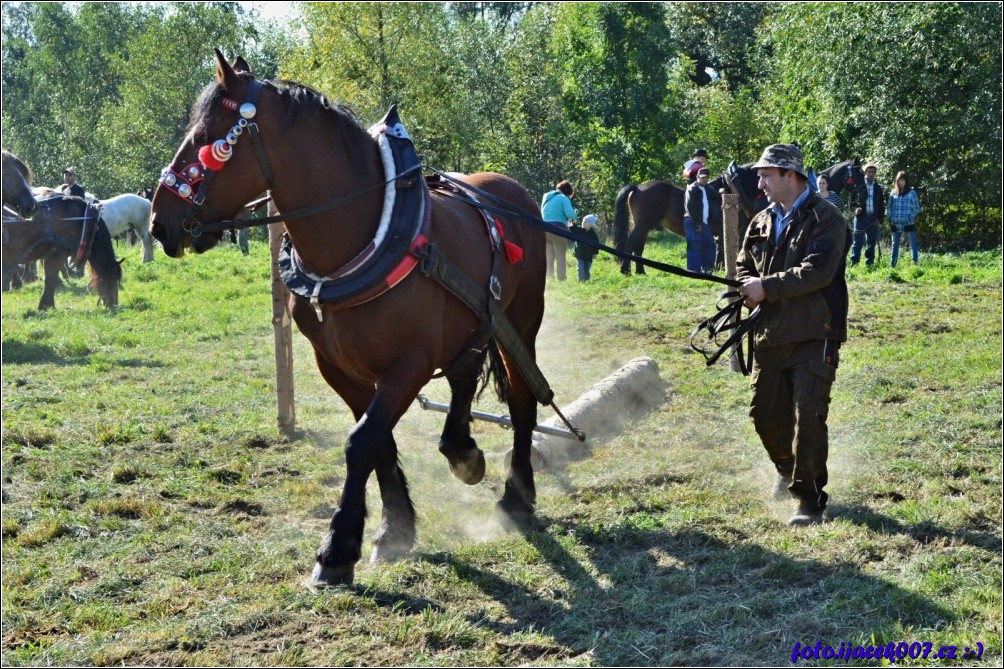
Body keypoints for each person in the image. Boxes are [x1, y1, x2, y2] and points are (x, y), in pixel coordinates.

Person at [736, 143, 849, 527]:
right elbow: (742, 266)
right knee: (764, 416)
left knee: (808, 416)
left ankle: (809, 501)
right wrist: (743, 289)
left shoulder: (826, 217)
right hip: (769, 333)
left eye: (766, 174)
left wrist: (765, 286)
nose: (760, 181)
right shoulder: (761, 221)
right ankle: (787, 469)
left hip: (815, 333)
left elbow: (818, 271)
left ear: (790, 175)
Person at [683, 167, 719, 273]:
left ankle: (708, 271)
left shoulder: (709, 189)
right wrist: (697, 223)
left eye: (706, 178)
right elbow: (690, 207)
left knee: (709, 246)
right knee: (694, 246)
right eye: (702, 177)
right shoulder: (691, 189)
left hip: (705, 223)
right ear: (697, 176)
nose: (704, 180)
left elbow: (715, 200)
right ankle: (693, 272)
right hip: (692, 221)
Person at [540, 180, 577, 281]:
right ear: (568, 192)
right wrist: (575, 214)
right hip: (558, 229)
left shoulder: (546, 197)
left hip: (544, 229)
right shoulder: (563, 198)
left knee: (549, 255)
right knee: (560, 256)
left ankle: (549, 277)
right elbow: (570, 215)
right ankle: (562, 279)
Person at [849, 163, 885, 266]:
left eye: (873, 172)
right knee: (857, 242)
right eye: (869, 171)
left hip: (873, 218)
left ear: (875, 173)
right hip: (860, 218)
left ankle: (870, 263)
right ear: (865, 172)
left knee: (871, 242)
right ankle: (854, 263)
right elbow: (851, 204)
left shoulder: (878, 188)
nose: (871, 174)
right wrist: (855, 210)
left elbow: (881, 205)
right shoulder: (858, 186)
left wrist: (879, 219)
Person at [887, 171, 920, 267]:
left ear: (906, 181)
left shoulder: (911, 192)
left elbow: (917, 207)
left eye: (903, 180)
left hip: (908, 222)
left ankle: (915, 266)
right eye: (899, 180)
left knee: (913, 244)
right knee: (895, 245)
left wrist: (910, 215)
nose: (901, 182)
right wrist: (890, 216)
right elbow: (889, 207)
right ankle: (892, 266)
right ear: (896, 181)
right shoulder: (893, 193)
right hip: (895, 222)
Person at [570, 214, 600, 282]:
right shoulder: (579, 230)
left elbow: (596, 245)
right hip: (579, 253)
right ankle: (581, 281)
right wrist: (569, 220)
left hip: (588, 255)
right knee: (580, 268)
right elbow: (572, 227)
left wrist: (595, 253)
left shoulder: (593, 235)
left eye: (585, 222)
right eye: (583, 221)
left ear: (591, 224)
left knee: (587, 269)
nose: (583, 223)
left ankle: (586, 280)